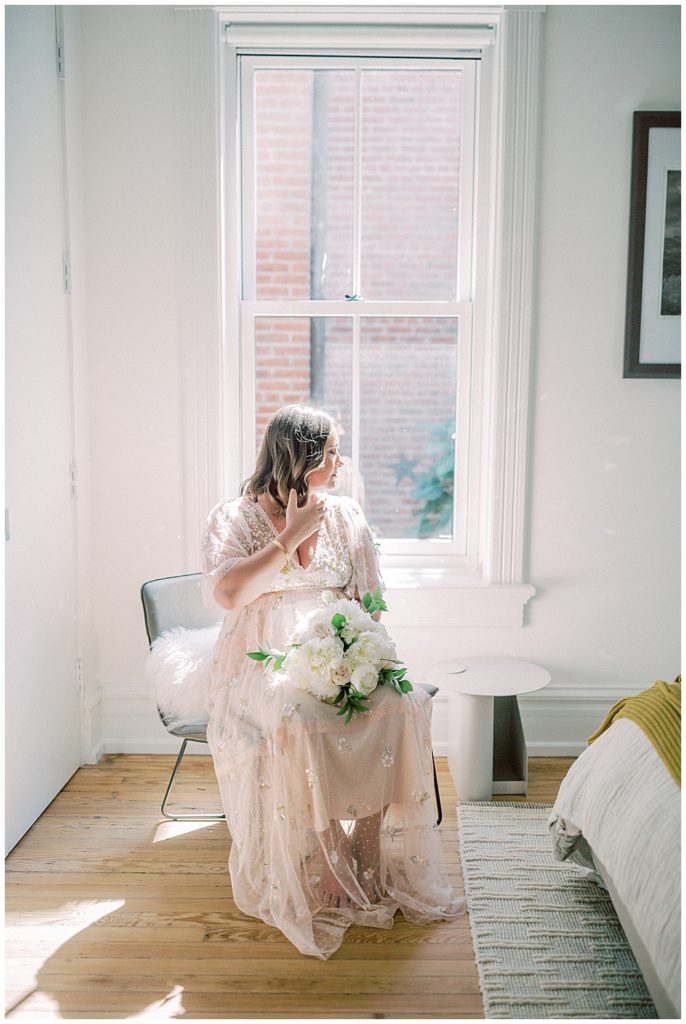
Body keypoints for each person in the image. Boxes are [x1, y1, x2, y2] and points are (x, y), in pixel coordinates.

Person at [201, 404, 465, 959]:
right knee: (297, 717)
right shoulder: (233, 517)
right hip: (262, 658)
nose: (341, 463)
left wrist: (357, 654)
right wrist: (289, 536)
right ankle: (325, 856)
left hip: (337, 642)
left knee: (401, 702)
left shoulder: (346, 515)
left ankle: (367, 847)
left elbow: (368, 601)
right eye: (332, 453)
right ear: (300, 458)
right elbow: (229, 596)